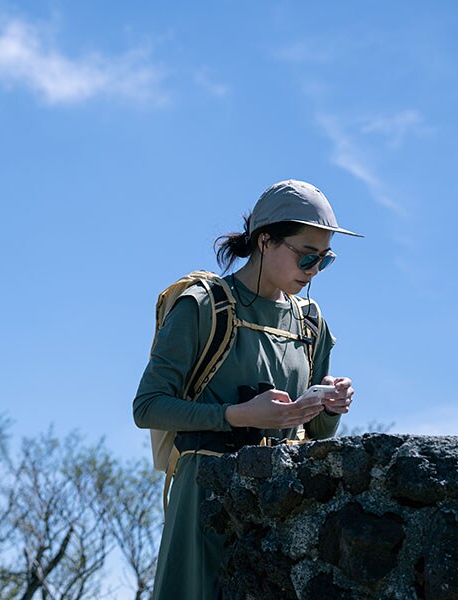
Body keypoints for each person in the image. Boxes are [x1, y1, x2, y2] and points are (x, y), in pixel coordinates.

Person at [133, 179, 360, 600]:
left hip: (283, 505)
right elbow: (148, 407)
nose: (313, 272)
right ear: (265, 241)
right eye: (306, 257)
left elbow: (318, 435)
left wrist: (328, 403)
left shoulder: (311, 323)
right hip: (205, 502)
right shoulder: (201, 304)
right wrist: (236, 416)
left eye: (324, 261)